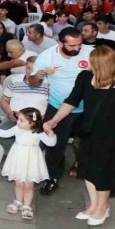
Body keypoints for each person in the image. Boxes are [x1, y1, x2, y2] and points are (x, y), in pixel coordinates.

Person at [43, 46, 115, 226]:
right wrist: (54, 120)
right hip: (90, 129)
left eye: (93, 63)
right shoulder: (85, 77)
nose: (89, 66)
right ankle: (94, 205)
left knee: (104, 170)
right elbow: (72, 101)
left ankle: (102, 207)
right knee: (87, 166)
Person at [30, 27, 94, 195]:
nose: (77, 48)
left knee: (87, 141)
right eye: (72, 46)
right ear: (60, 43)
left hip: (87, 106)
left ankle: (81, 164)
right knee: (55, 143)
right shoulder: (47, 56)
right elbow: (33, 82)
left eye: (79, 44)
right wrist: (37, 77)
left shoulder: (90, 53)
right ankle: (52, 177)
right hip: (59, 106)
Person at [0, 108, 57, 220]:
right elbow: (5, 133)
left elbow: (51, 143)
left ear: (32, 123)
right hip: (18, 158)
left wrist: (50, 133)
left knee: (28, 185)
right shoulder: (17, 129)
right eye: (18, 119)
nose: (18, 121)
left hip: (32, 161)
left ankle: (27, 206)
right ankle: (18, 201)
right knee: (18, 182)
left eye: (21, 120)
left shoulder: (38, 133)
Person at [0, 56, 50, 152]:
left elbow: (53, 105)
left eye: (35, 69)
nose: (30, 72)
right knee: (0, 133)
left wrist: (43, 117)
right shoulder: (15, 80)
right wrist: (9, 112)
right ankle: (18, 154)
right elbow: (4, 100)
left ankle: (24, 155)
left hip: (37, 121)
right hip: (15, 118)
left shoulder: (49, 83)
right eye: (28, 68)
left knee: (40, 140)